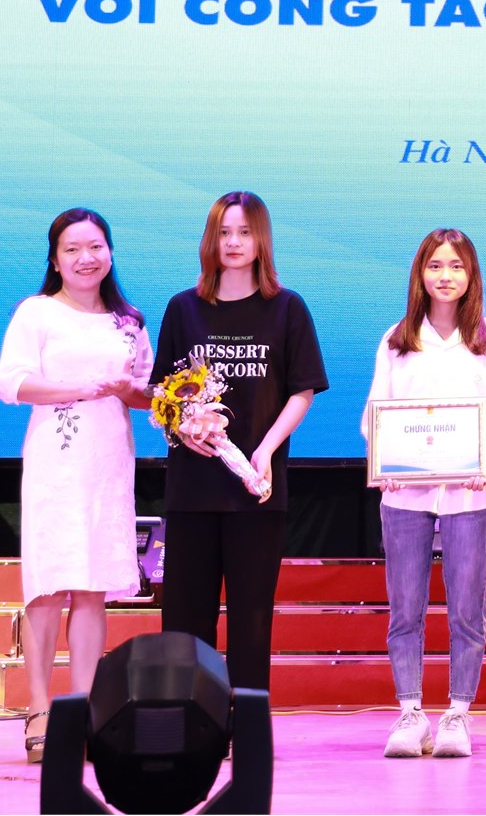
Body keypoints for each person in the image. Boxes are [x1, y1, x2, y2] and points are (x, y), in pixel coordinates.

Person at [153, 190, 328, 692]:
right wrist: (182, 425)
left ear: (261, 240)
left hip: (256, 488)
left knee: (251, 619)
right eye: (224, 233)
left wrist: (266, 449)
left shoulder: (287, 308)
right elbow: (160, 390)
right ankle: (187, 718)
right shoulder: (183, 308)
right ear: (210, 240)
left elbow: (302, 390)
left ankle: (246, 721)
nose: (233, 242)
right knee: (185, 618)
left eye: (244, 232)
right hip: (192, 490)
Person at [0, 208, 153, 761]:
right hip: (56, 465)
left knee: (91, 588)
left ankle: (83, 710)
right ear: (56, 259)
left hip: (108, 465)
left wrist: (138, 393)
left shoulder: (128, 321)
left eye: (96, 246)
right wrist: (84, 388)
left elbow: (144, 392)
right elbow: (11, 384)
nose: (86, 258)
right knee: (48, 586)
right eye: (72, 249)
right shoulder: (37, 312)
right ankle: (39, 707)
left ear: (110, 252)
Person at [362, 229, 486, 760]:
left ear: (471, 275)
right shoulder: (396, 339)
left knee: (466, 609)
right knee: (405, 609)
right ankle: (410, 713)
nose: (445, 276)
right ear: (420, 274)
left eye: (456, 266)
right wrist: (385, 461)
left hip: (470, 494)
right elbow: (376, 410)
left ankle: (457, 713)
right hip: (405, 495)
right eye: (435, 266)